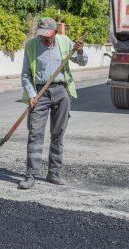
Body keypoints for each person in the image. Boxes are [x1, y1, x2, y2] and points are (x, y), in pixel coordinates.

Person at [18, 17, 88, 190]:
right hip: (40, 93)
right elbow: (26, 74)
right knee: (35, 134)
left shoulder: (64, 42)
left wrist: (79, 51)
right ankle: (31, 175)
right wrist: (32, 94)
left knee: (58, 133)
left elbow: (83, 61)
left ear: (55, 32)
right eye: (42, 35)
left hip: (61, 91)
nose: (44, 38)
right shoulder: (31, 45)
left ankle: (54, 173)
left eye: (48, 35)